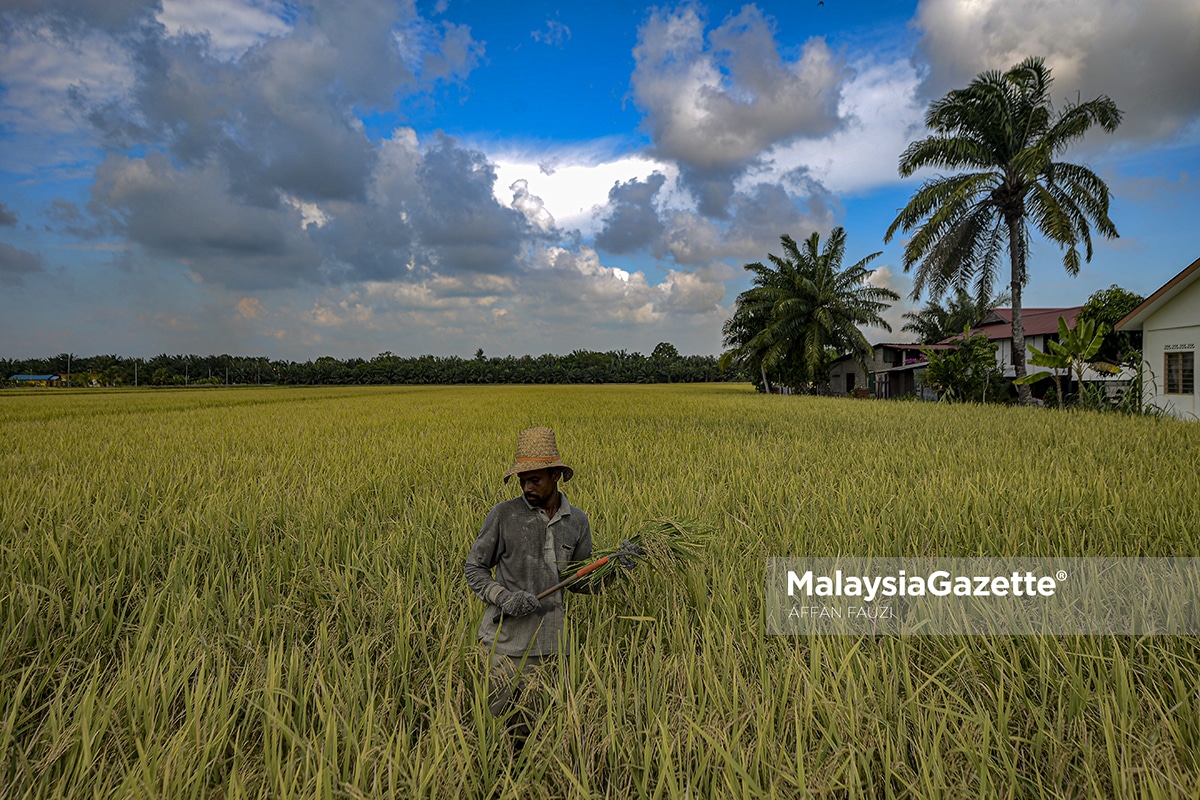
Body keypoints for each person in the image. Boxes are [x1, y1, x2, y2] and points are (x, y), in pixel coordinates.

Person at [464, 426, 635, 752]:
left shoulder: (577, 521)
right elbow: (474, 568)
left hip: (551, 652)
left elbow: (581, 582)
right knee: (488, 735)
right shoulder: (503, 516)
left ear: (556, 475)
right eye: (522, 479)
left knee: (534, 739)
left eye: (535, 479)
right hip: (503, 649)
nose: (527, 486)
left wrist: (615, 568)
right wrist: (504, 597)